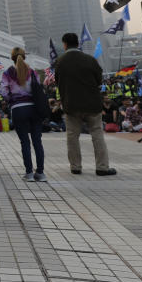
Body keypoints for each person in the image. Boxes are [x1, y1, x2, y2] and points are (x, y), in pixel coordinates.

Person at [55, 32, 116, 176]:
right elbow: (99, 80)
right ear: (78, 43)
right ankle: (102, 167)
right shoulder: (90, 60)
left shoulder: (60, 62)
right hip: (91, 104)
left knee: (72, 136)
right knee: (97, 134)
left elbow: (58, 81)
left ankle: (75, 166)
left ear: (64, 44)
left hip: (71, 104)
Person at [1, 47, 46, 182]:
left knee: (24, 142)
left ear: (12, 58)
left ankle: (29, 173)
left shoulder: (8, 73)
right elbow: (38, 88)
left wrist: (11, 100)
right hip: (34, 109)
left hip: (18, 109)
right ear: (24, 57)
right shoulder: (32, 72)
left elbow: (3, 91)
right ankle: (41, 173)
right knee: (37, 141)